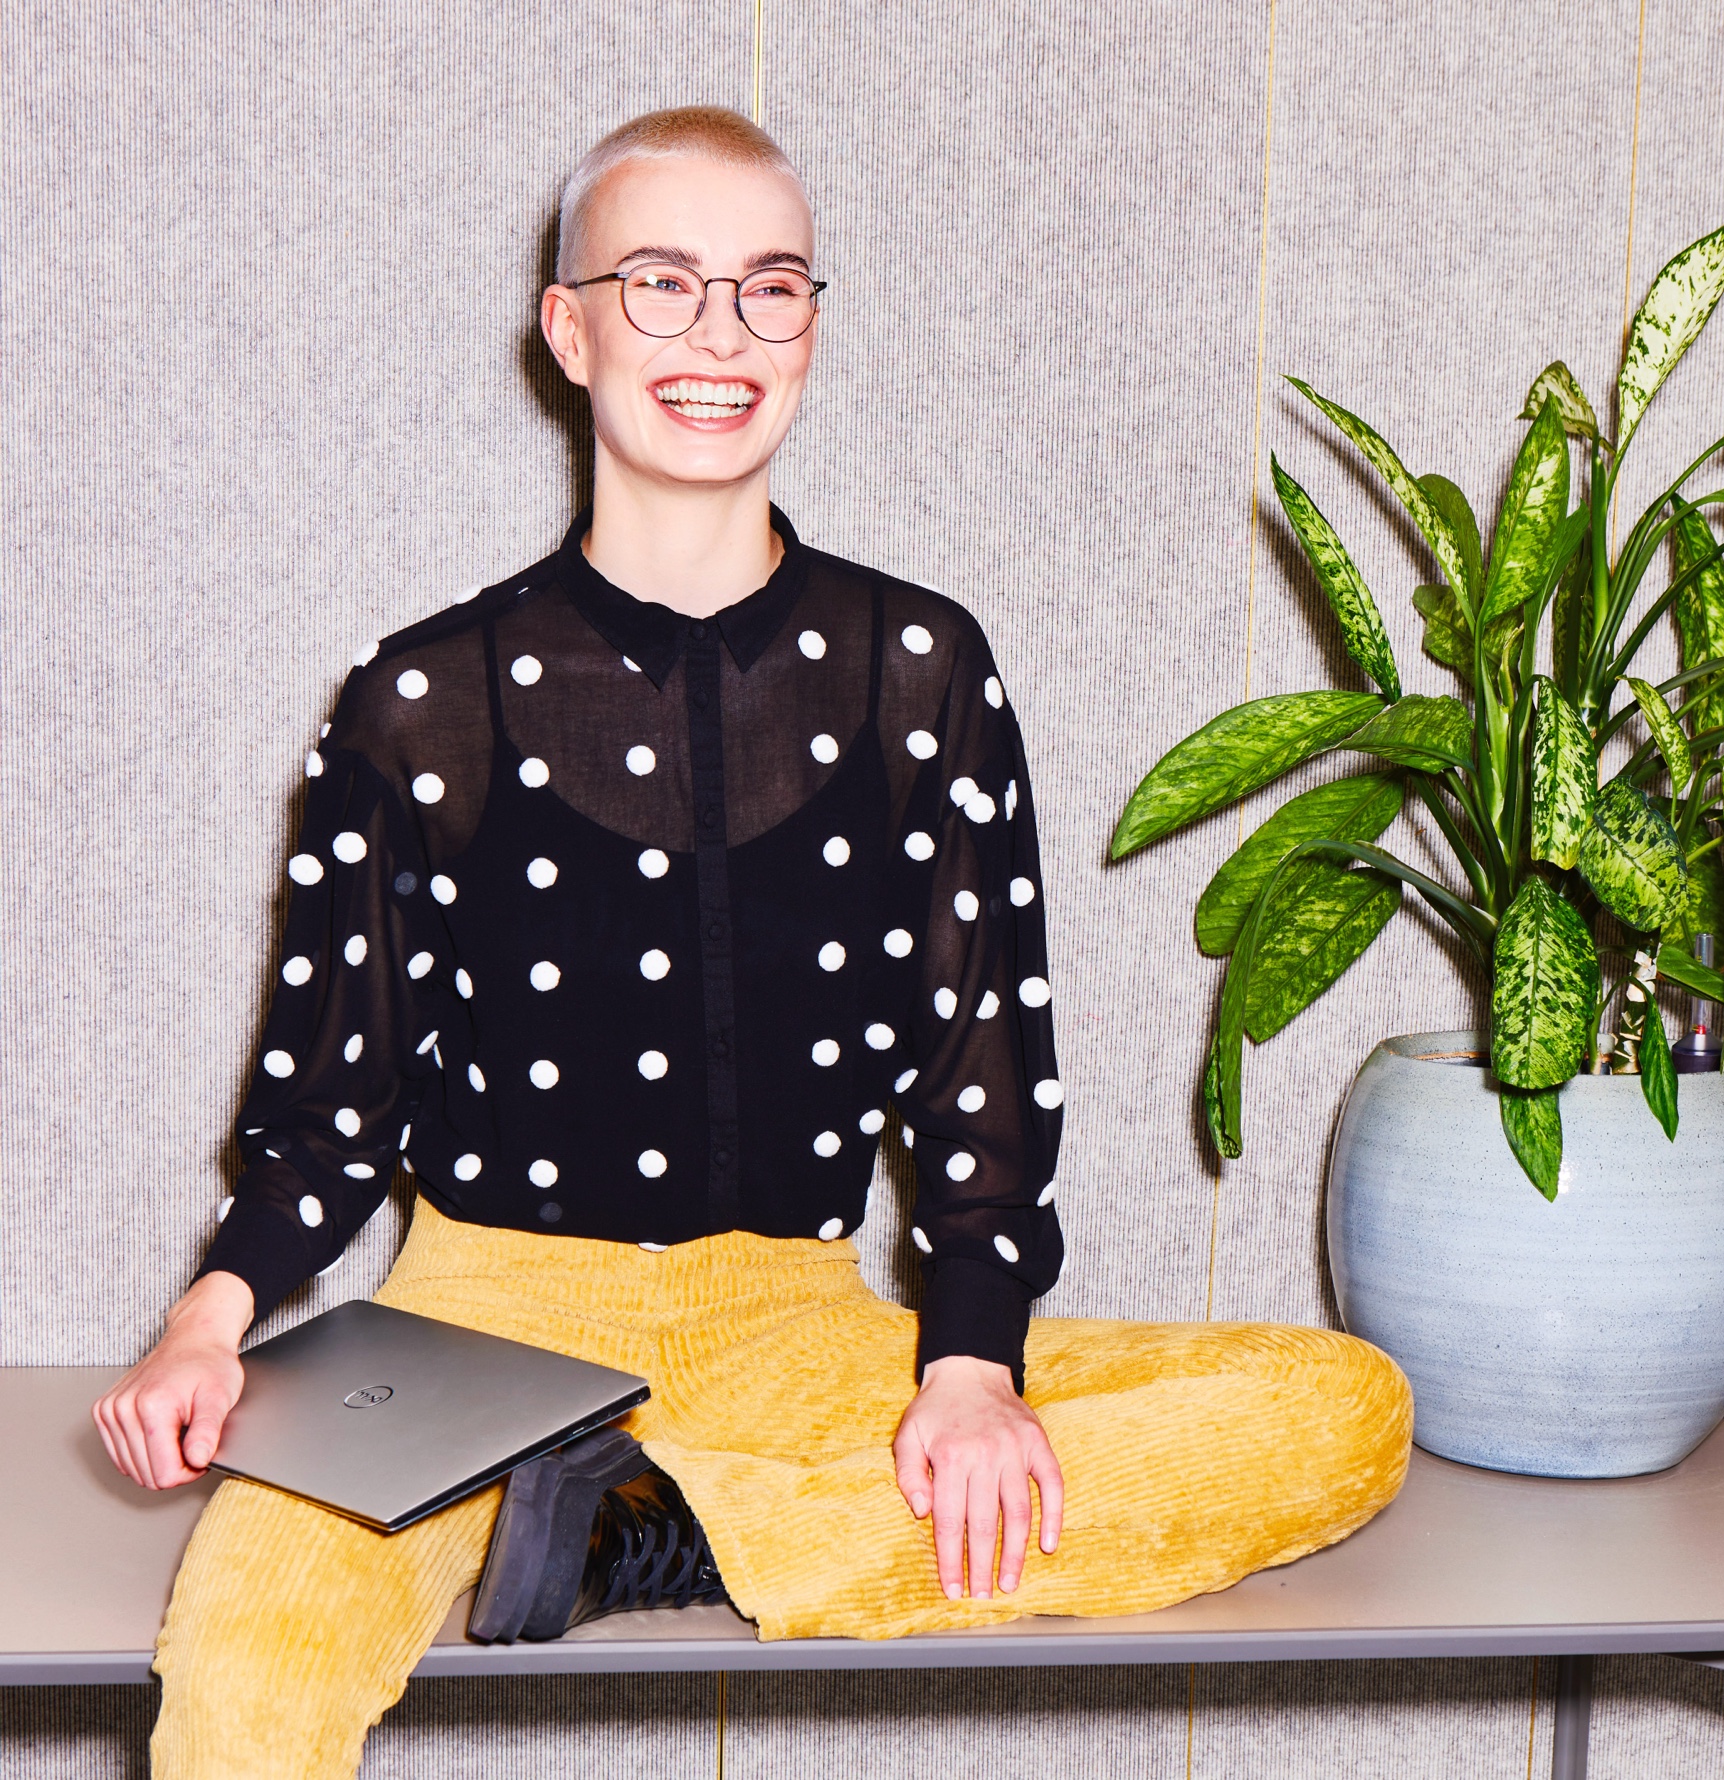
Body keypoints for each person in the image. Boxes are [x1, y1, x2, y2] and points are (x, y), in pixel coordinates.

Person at [93, 106, 1412, 1779]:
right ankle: (609, 1510)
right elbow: (326, 1099)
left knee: (1343, 1410)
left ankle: (649, 1532)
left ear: (812, 331)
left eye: (768, 288)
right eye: (662, 284)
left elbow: (985, 1079)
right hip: (462, 1331)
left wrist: (973, 1366)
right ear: (567, 329)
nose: (720, 335)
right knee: (241, 1688)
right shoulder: (417, 698)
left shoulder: (924, 665)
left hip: (802, 1334)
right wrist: (212, 1319)